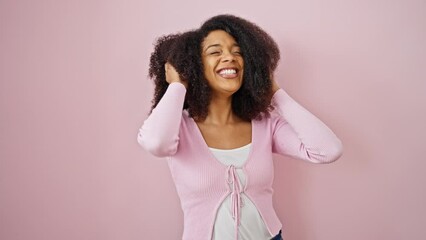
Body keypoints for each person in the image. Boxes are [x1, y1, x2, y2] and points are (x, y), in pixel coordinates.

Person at [138, 14, 343, 240]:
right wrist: (178, 84)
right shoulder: (178, 127)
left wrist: (274, 93)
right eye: (215, 52)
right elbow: (156, 143)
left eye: (237, 52)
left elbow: (328, 150)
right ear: (194, 66)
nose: (230, 57)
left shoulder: (265, 124)